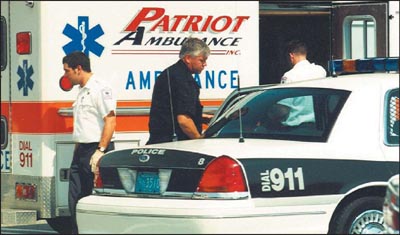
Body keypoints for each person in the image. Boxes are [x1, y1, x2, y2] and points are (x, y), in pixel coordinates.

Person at [62, 51, 116, 234]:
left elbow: (110, 120)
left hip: (95, 150)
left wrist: (101, 151)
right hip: (81, 151)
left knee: (93, 199)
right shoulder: (81, 91)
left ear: (78, 69)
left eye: (67, 71)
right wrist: (77, 152)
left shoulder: (100, 88)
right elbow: (83, 126)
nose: (65, 75)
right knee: (75, 199)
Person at [146, 37, 213, 144]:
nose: (205, 64)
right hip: (176, 145)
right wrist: (199, 140)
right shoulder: (184, 81)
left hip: (159, 142)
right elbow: (184, 120)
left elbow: (171, 111)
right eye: (202, 60)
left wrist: (202, 118)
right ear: (188, 58)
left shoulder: (168, 74)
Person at [274, 40, 327, 127]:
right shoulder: (320, 71)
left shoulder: (289, 76)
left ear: (291, 56)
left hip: (295, 128)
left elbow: (282, 110)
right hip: (318, 126)